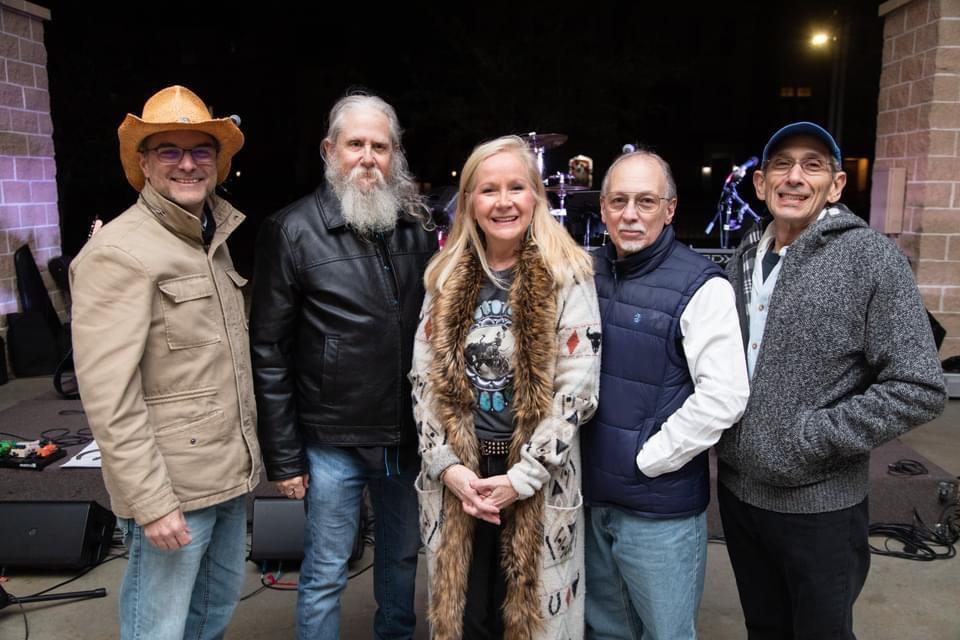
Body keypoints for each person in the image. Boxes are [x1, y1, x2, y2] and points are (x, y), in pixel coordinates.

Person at [715, 121, 947, 639]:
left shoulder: (870, 258)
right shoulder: (743, 258)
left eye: (813, 165)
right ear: (760, 184)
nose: (795, 177)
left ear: (836, 185)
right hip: (739, 494)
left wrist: (811, 437)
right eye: (782, 165)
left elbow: (919, 387)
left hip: (818, 503)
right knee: (764, 628)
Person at [70, 85, 260, 640]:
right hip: (173, 489)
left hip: (224, 476)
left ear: (218, 162)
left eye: (200, 150)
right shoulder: (118, 252)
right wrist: (152, 503)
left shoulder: (209, 238)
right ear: (145, 164)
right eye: (169, 151)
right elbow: (110, 398)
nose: (187, 164)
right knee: (159, 628)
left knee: (211, 617)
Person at [249, 92, 437, 640]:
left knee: (402, 559)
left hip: (404, 436)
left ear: (395, 154)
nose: (368, 157)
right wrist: (284, 458)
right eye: (356, 144)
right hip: (331, 440)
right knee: (327, 570)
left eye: (381, 146)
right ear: (329, 150)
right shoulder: (290, 230)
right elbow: (269, 351)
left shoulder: (416, 227)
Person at [410, 135, 602, 640]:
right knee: (464, 617)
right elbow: (422, 382)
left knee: (529, 620)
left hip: (536, 475)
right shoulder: (444, 277)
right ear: (469, 202)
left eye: (516, 187)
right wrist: (447, 467)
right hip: (460, 478)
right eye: (488, 190)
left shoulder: (568, 274)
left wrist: (522, 477)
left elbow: (577, 391)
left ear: (535, 194)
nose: (503, 202)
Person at [580, 150, 750, 640]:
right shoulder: (584, 272)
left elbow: (724, 395)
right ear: (604, 209)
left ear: (670, 209)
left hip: (658, 511)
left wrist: (648, 460)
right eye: (619, 201)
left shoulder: (701, 286)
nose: (630, 214)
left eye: (646, 201)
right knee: (606, 631)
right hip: (591, 498)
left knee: (666, 633)